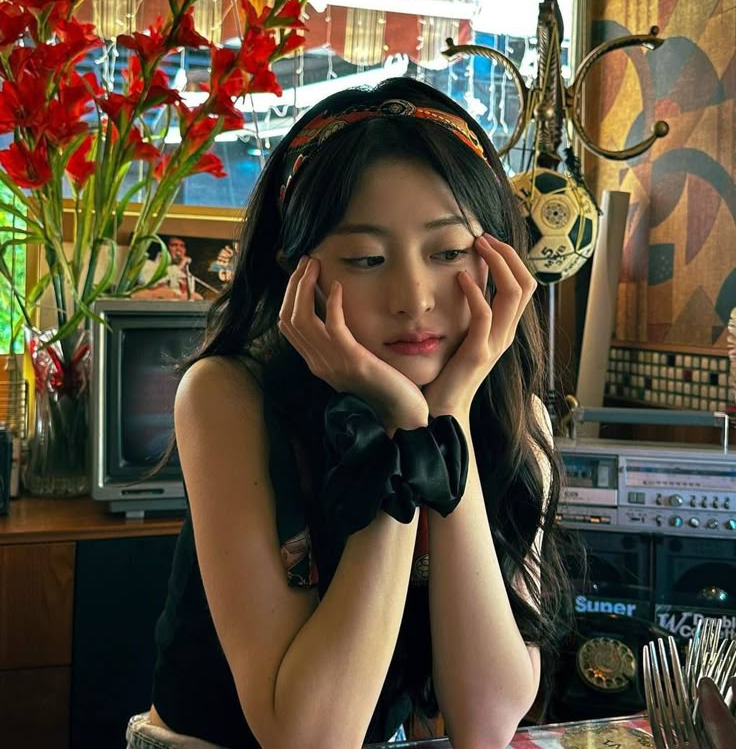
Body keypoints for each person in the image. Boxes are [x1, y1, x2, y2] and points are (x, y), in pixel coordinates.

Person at [127, 77, 574, 749]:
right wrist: (402, 428)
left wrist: (444, 417)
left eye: (448, 252)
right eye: (366, 258)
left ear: (496, 261)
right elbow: (308, 736)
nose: (413, 297)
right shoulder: (226, 398)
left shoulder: (515, 419)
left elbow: (485, 723)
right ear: (297, 275)